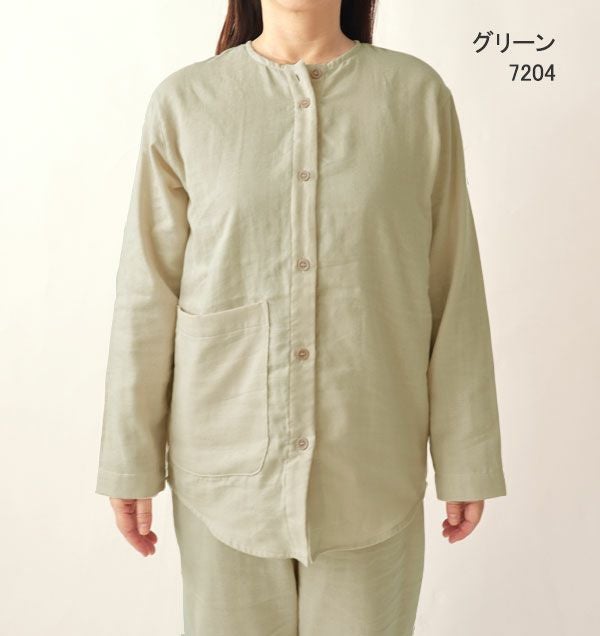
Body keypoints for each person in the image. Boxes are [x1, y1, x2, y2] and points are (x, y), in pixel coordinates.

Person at [95, 1, 508, 634]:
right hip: (223, 468)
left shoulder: (416, 97)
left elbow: (452, 285)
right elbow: (147, 292)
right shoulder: (186, 103)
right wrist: (130, 458)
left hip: (372, 464)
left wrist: (467, 456)